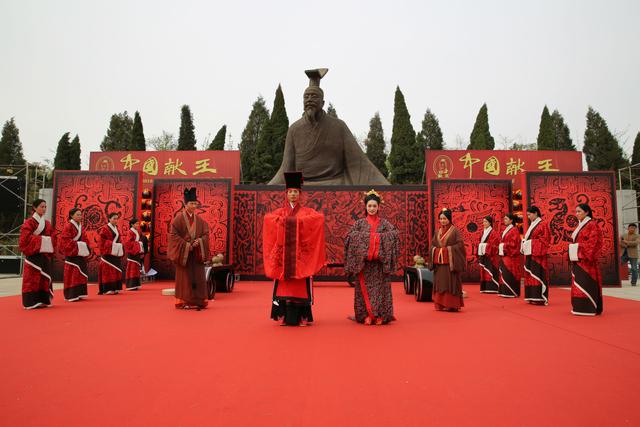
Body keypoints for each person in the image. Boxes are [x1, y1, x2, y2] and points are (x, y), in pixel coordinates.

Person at [268, 69, 388, 185]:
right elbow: (287, 168)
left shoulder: (338, 126)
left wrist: (386, 186)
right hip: (302, 186)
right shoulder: (294, 129)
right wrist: (266, 189)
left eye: (314, 97)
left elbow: (358, 162)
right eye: (306, 97)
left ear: (323, 103)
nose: (309, 100)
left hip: (335, 184)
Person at [263, 171, 326, 326]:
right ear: (286, 194)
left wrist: (296, 222)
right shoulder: (280, 212)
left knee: (300, 286)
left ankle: (303, 316)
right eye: (290, 192)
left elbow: (319, 218)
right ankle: (282, 315)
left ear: (300, 194)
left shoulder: (306, 212)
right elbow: (268, 219)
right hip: (284, 258)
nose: (293, 194)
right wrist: (283, 221)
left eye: (296, 192)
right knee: (283, 286)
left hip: (300, 259)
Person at [344, 190, 400, 325]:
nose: (372, 208)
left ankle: (380, 315)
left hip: (380, 265)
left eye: (374, 206)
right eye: (369, 206)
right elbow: (350, 237)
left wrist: (375, 240)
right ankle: (365, 315)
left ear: (379, 207)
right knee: (363, 291)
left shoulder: (385, 224)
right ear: (365, 207)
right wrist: (371, 241)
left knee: (381, 290)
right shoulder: (359, 224)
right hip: (364, 265)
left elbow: (395, 235)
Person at [168, 187, 210, 310]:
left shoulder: (200, 220)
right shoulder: (178, 219)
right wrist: (187, 245)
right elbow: (174, 236)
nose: (194, 206)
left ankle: (198, 301)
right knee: (185, 278)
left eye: (195, 204)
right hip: (184, 255)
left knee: (198, 277)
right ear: (185, 205)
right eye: (191, 203)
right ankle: (185, 301)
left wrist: (200, 241)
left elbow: (206, 234)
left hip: (196, 254)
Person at [18, 199, 55, 309]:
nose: (44, 209)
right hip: (33, 255)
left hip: (43, 254)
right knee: (32, 278)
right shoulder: (29, 222)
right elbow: (24, 239)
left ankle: (43, 300)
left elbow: (53, 237)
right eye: (41, 206)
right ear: (34, 208)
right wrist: (43, 240)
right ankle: (30, 302)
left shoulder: (47, 223)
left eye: (45, 207)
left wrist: (48, 240)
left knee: (43, 277)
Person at [569, 203, 604, 316]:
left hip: (587, 260)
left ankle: (588, 307)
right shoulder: (581, 225)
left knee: (585, 281)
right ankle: (579, 307)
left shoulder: (592, 224)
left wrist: (578, 247)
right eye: (576, 212)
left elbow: (593, 243)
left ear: (587, 212)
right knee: (578, 282)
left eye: (579, 211)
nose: (577, 214)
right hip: (578, 258)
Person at [430, 208, 465, 311]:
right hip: (440, 265)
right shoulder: (437, 232)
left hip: (450, 265)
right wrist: (435, 250)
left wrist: (447, 251)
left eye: (444, 218)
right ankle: (440, 304)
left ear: (449, 219)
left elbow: (460, 246)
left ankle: (452, 305)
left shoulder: (455, 231)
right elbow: (432, 245)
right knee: (440, 283)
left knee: (451, 283)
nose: (442, 221)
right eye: (440, 219)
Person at [522, 206, 551, 305]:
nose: (528, 217)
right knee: (530, 274)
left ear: (536, 213)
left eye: (529, 214)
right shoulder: (532, 224)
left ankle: (539, 297)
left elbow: (545, 240)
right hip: (531, 253)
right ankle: (531, 296)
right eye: (527, 215)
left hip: (538, 255)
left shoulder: (543, 224)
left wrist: (530, 243)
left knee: (537, 274)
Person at [59, 207, 90, 301]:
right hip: (72, 254)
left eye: (81, 215)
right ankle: (71, 294)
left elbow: (85, 238)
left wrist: (85, 245)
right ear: (72, 215)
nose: (80, 216)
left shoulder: (81, 227)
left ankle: (80, 293)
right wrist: (78, 245)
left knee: (80, 273)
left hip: (79, 253)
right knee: (73, 274)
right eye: (78, 214)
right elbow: (64, 240)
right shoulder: (68, 226)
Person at [97, 212, 124, 295]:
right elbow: (101, 241)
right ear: (109, 219)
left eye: (117, 218)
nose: (116, 220)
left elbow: (119, 239)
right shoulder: (105, 228)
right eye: (114, 218)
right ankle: (107, 288)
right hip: (108, 253)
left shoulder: (117, 228)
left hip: (115, 252)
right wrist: (113, 245)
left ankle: (115, 287)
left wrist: (119, 245)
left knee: (115, 270)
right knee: (108, 271)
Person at [498, 213, 522, 298]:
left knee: (509, 272)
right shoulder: (507, 229)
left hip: (511, 256)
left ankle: (511, 292)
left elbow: (514, 244)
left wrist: (503, 246)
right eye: (504, 219)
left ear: (511, 220)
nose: (504, 220)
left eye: (506, 219)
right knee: (504, 272)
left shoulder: (514, 230)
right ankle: (504, 291)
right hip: (505, 255)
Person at [478, 215, 500, 294]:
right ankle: (485, 288)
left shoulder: (494, 233)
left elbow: (496, 245)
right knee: (483, 271)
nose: (484, 223)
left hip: (491, 255)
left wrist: (485, 246)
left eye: (485, 222)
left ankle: (492, 288)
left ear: (490, 223)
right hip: (483, 254)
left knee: (490, 270)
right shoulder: (482, 232)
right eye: (483, 221)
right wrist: (481, 246)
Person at [123, 218, 144, 290]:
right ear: (132, 224)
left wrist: (138, 244)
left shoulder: (136, 231)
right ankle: (131, 285)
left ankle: (135, 284)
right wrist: (138, 244)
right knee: (132, 267)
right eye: (136, 224)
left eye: (138, 223)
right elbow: (128, 243)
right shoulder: (130, 232)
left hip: (136, 251)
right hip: (132, 252)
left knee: (136, 268)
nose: (137, 225)